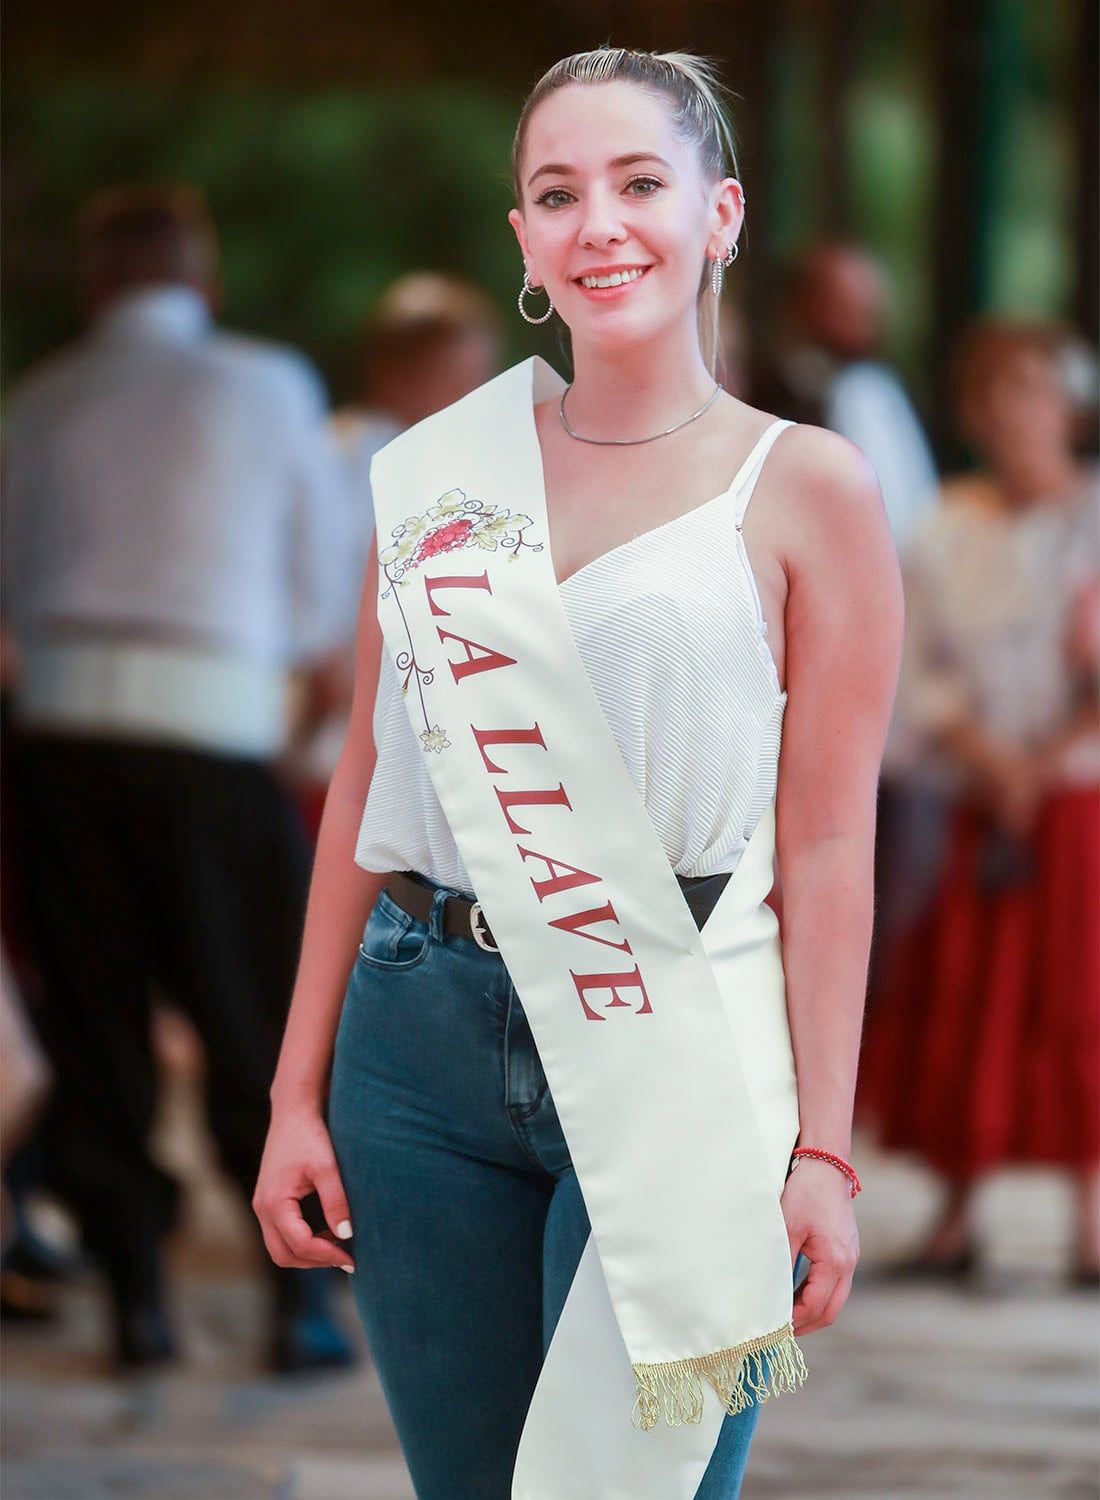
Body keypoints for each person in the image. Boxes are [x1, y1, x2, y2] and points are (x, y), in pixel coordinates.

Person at [253, 48, 902, 1500]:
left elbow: (830, 847)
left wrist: (827, 1151)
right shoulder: (435, 477)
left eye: (640, 183)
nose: (599, 222)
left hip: (680, 1034)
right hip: (415, 1046)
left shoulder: (809, 487)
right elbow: (365, 781)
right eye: (559, 194)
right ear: (523, 242)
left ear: (720, 215)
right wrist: (296, 1094)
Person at [2, 184, 357, 1372]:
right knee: (253, 1024)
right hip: (213, 741)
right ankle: (294, 1300)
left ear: (99, 285)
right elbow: (320, 597)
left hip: (59, 745)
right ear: (198, 282)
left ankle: (138, 1297)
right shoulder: (269, 389)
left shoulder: (39, 401)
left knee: (95, 1022)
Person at [856, 318, 1100, 1286]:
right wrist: (985, 756)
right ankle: (957, 1210)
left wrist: (1042, 757)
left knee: (1073, 993)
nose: (1015, 411)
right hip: (976, 787)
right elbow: (915, 665)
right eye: (995, 392)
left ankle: (1089, 1219)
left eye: (1034, 389)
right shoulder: (943, 527)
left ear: (1066, 403)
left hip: (1076, 790)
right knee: (967, 988)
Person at [292, 273, 503, 834]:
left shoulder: (451, 471)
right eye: (454, 378)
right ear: (394, 372)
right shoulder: (348, 458)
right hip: (343, 757)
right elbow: (321, 611)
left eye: (477, 378)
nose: (470, 397)